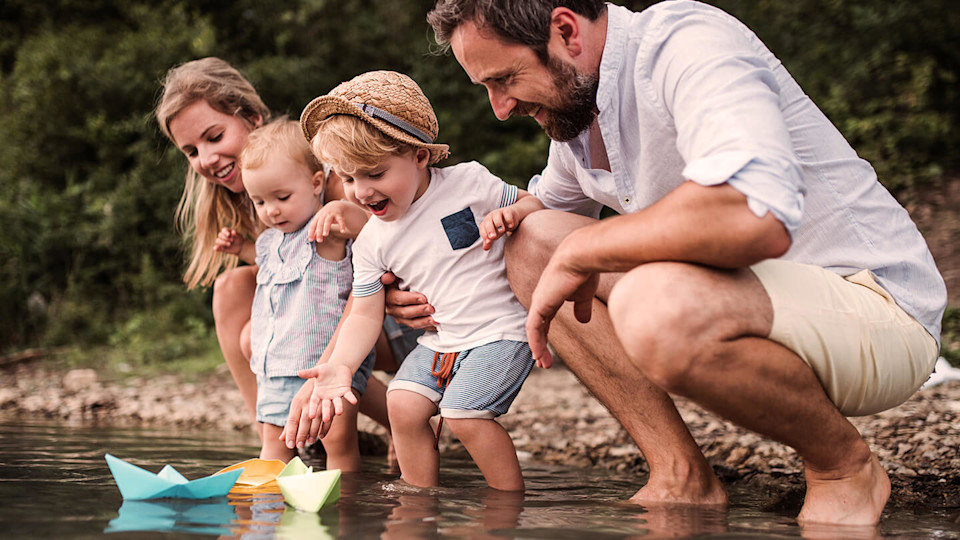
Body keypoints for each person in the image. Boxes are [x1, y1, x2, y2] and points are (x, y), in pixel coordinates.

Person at [417, 0, 947, 526]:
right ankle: (681, 474)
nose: (500, 108)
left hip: (876, 310)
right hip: (761, 304)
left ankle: (842, 468)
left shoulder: (683, 41)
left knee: (655, 306)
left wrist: (587, 249)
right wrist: (413, 282)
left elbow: (751, 212)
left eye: (505, 78)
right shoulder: (580, 108)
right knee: (532, 244)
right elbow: (539, 216)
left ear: (565, 31)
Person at [292, 70, 546, 491]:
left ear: (420, 157)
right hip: (440, 341)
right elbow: (364, 315)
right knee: (402, 404)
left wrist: (515, 214)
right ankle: (418, 501)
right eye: (349, 177)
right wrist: (340, 365)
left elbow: (534, 204)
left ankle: (507, 506)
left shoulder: (469, 183)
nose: (360, 191)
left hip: (499, 330)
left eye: (374, 173)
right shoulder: (372, 239)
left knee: (465, 415)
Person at [155, 58, 414, 447]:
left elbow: (364, 286)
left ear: (254, 118)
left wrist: (326, 371)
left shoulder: (334, 185)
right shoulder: (259, 201)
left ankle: (379, 424)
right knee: (233, 291)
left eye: (214, 136)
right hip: (334, 326)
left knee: (291, 347)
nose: (205, 159)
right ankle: (274, 433)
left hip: (397, 319)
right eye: (191, 151)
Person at [209, 119, 373, 467]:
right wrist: (242, 249)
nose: (272, 210)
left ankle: (347, 506)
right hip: (276, 365)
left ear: (316, 184)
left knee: (338, 443)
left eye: (282, 197)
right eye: (260, 202)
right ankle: (266, 513)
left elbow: (373, 234)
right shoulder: (269, 241)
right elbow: (272, 266)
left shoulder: (325, 232)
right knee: (274, 443)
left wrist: (342, 210)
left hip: (322, 364)